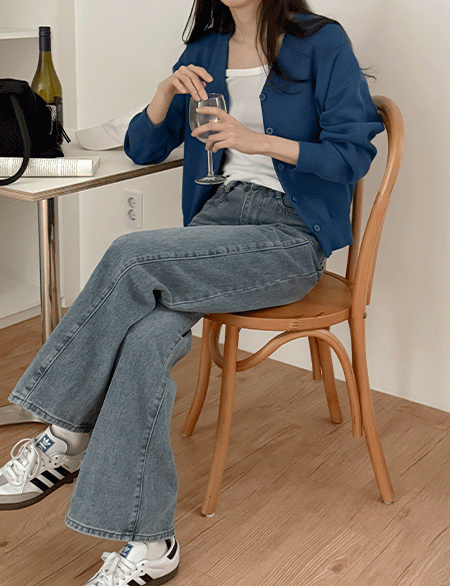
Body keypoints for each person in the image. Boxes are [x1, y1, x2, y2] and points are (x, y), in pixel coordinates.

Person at [0, 1, 384, 584]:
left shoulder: (321, 42)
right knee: (145, 339)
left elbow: (353, 155)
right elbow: (144, 148)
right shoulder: (205, 50)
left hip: (289, 236)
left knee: (130, 255)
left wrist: (257, 142)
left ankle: (63, 433)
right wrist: (162, 94)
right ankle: (151, 543)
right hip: (215, 226)